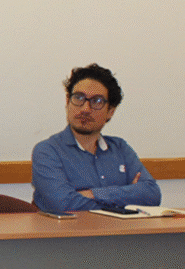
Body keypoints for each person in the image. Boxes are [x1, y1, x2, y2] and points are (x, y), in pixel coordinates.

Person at [32, 64, 160, 214]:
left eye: (97, 101)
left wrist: (93, 193)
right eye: (78, 98)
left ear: (110, 112)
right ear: (67, 102)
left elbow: (152, 195)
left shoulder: (120, 148)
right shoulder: (47, 151)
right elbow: (64, 204)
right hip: (71, 230)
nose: (85, 109)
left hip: (119, 230)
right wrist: (125, 197)